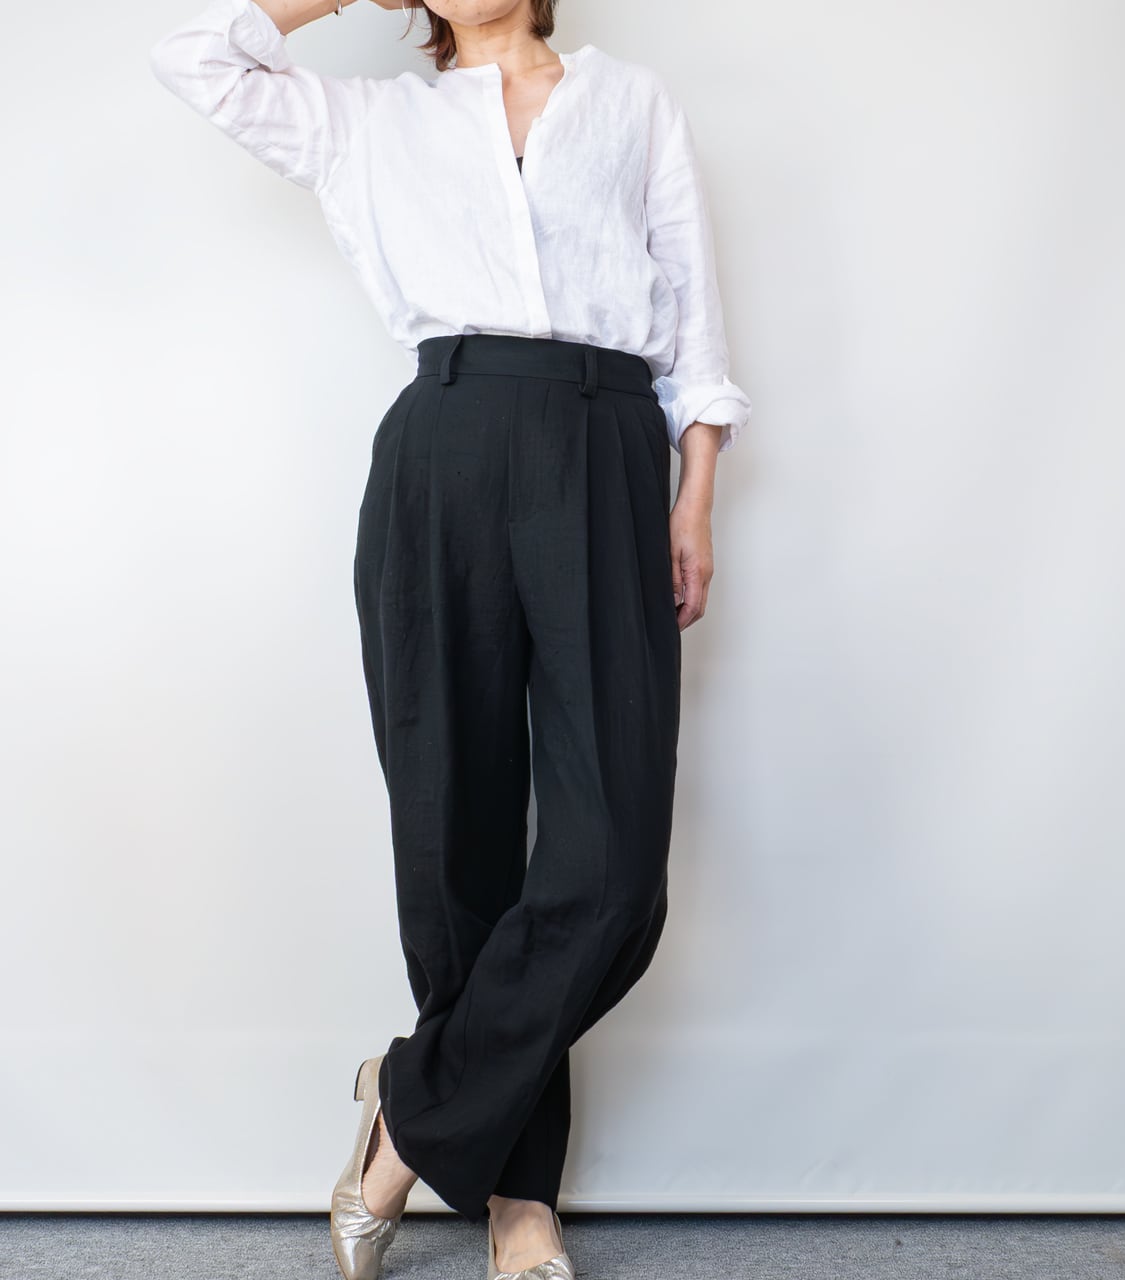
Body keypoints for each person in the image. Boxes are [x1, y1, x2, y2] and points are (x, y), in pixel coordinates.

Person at [148, 0, 750, 1275]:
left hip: (604, 441)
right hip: (447, 444)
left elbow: (693, 313)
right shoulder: (371, 122)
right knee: (451, 837)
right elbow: (192, 55)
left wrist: (693, 493)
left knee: (612, 859)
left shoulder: (629, 102)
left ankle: (407, 1106)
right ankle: (520, 1203)